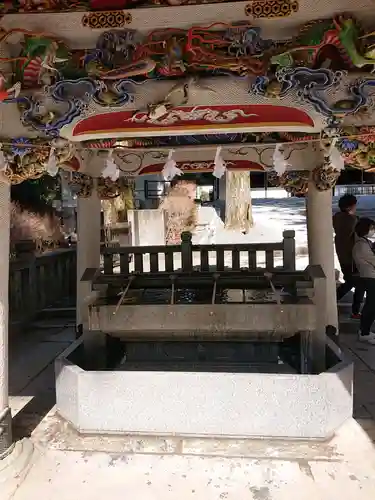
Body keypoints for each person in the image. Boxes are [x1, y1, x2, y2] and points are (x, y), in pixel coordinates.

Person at [333, 194, 364, 319]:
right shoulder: (351, 221)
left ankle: (335, 300)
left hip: (344, 256)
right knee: (357, 283)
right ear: (351, 206)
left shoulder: (337, 219)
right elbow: (356, 238)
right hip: (351, 258)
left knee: (352, 282)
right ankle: (355, 311)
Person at [353, 218, 375, 343]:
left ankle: (365, 330)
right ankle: (364, 332)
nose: (373, 230)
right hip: (369, 276)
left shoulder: (365, 242)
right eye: (371, 228)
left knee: (371, 305)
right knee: (371, 305)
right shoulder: (361, 245)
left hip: (370, 275)